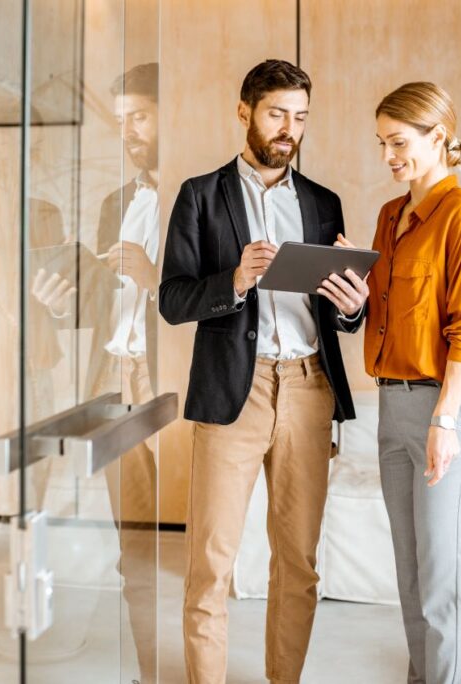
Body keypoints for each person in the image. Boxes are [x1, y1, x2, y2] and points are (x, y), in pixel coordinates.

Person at [160, 59, 369, 684]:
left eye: (300, 117)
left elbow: (341, 312)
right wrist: (234, 280)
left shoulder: (323, 202)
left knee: (300, 562)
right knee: (210, 563)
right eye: (278, 114)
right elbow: (172, 300)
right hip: (233, 390)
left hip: (309, 389)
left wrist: (354, 308)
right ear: (245, 111)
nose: (289, 129)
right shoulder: (200, 195)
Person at [352, 81, 461, 684]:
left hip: (444, 410)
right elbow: (383, 316)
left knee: (443, 585)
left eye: (400, 141)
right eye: (383, 143)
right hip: (390, 410)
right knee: (411, 581)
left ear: (439, 137)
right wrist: (353, 292)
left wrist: (445, 421)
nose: (389, 155)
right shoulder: (390, 216)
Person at [30, 62, 160, 683]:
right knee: (133, 549)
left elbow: (229, 303)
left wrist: (154, 277)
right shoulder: (116, 203)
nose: (128, 131)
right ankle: (147, 670)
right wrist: (65, 302)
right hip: (114, 379)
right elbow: (107, 299)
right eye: (121, 120)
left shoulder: (201, 194)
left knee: (187, 548)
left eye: (139, 115)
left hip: (173, 386)